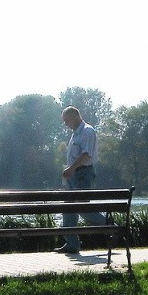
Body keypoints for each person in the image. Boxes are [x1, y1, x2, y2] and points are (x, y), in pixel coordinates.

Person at [55, 106, 106, 253]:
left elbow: (86, 155)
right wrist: (70, 171)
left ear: (75, 116)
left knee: (82, 208)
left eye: (66, 120)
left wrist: (71, 169)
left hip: (83, 174)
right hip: (74, 175)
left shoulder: (87, 131)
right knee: (68, 209)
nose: (65, 124)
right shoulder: (75, 133)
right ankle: (71, 244)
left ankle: (110, 225)